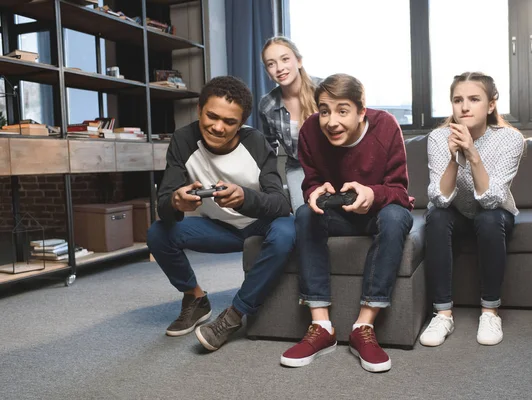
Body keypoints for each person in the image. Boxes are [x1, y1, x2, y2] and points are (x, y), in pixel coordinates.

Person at [147, 76, 295, 352]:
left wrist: (245, 197)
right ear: (199, 110)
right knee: (158, 233)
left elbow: (281, 204)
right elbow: (164, 204)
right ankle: (195, 298)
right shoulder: (183, 140)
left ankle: (234, 315)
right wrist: (177, 203)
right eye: (211, 116)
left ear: (241, 124)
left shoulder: (256, 143)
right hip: (221, 228)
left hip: (261, 225)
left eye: (229, 122)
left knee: (288, 230)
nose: (218, 127)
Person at [279, 73, 414, 373]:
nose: (331, 121)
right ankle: (321, 326)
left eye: (342, 111)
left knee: (395, 216)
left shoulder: (386, 127)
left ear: (361, 110)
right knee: (304, 213)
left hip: (378, 212)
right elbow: (311, 182)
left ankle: (363, 327)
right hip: (338, 214)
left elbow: (400, 192)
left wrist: (372, 193)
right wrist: (313, 192)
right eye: (324, 110)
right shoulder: (310, 132)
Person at [419, 72, 525, 348]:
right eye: (457, 100)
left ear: (491, 105)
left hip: (495, 214)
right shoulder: (437, 137)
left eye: (474, 99)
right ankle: (442, 314)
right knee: (436, 215)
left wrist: (473, 154)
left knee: (489, 218)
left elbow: (491, 199)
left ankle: (490, 312)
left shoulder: (511, 139)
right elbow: (440, 199)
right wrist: (455, 157)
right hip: (453, 212)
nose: (464, 107)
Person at [259, 36, 321, 213]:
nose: (279, 68)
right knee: (304, 216)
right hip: (297, 166)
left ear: (299, 61)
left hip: (332, 163)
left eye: (285, 59)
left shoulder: (324, 90)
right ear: (267, 71)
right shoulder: (267, 105)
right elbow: (269, 149)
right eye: (271, 64)